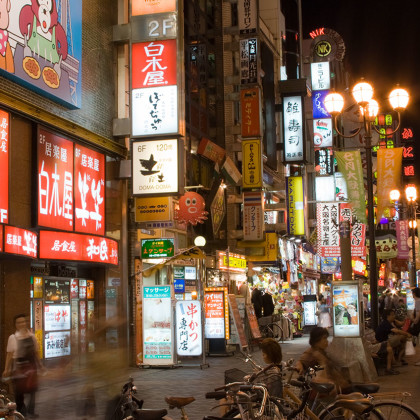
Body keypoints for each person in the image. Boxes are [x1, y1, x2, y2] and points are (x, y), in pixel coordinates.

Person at [2, 314, 45, 417]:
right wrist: (6, 368)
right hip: (18, 366)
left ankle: (31, 410)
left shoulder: (32, 336)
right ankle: (22, 410)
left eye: (23, 322)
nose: (21, 324)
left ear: (26, 323)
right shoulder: (13, 338)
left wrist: (40, 365)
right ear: (15, 325)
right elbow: (9, 354)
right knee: (19, 391)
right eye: (19, 322)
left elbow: (36, 352)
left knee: (33, 390)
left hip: (31, 365)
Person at [295, 327, 350, 391]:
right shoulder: (312, 352)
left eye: (326, 338)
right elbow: (301, 361)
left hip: (335, 386)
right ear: (316, 340)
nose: (326, 341)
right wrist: (299, 365)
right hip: (325, 389)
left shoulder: (322, 351)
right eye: (324, 338)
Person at [375, 308, 411, 374]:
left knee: (400, 340)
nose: (394, 316)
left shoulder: (389, 322)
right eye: (392, 315)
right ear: (388, 316)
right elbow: (396, 331)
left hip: (385, 341)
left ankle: (396, 361)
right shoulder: (386, 323)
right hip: (382, 343)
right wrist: (407, 334)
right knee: (402, 338)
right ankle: (393, 364)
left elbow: (400, 324)